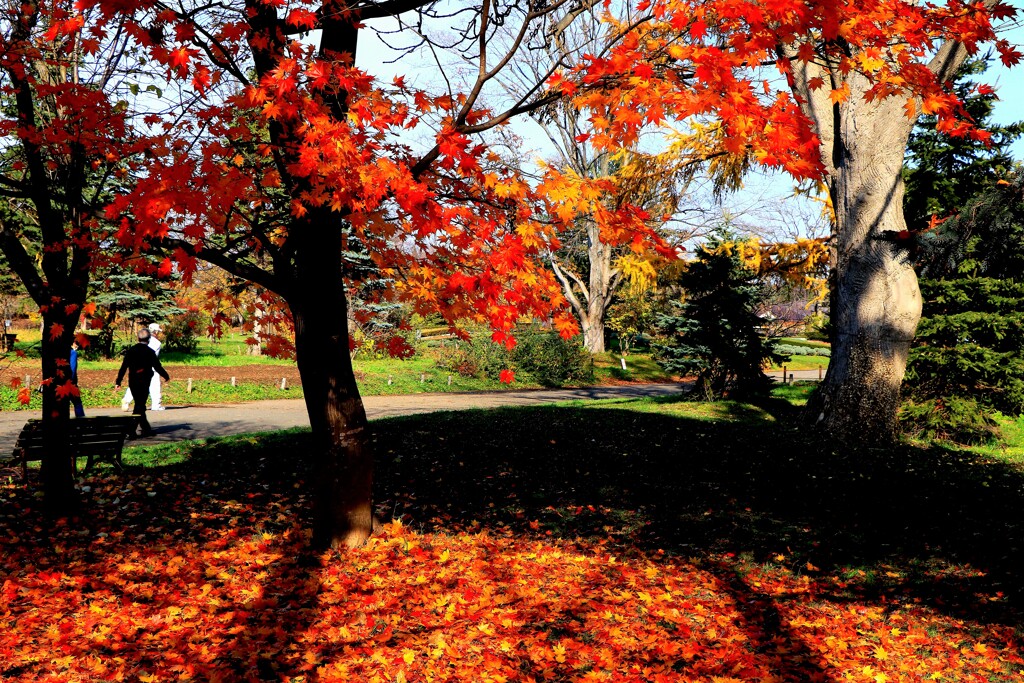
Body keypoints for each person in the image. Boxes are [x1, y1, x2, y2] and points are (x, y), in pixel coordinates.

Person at [116, 328, 170, 438]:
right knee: (140, 406)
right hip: (144, 381)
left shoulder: (131, 350)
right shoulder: (150, 352)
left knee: (140, 405)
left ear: (138, 338)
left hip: (133, 381)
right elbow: (157, 366)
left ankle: (146, 429)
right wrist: (166, 376)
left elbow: (123, 367)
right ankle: (131, 430)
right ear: (149, 339)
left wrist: (118, 381)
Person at [121, 322, 165, 411]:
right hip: (151, 368)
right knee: (155, 385)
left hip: (138, 367)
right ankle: (156, 405)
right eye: (158, 332)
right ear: (155, 332)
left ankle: (126, 399)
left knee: (136, 384)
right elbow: (153, 357)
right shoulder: (157, 343)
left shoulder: (141, 340)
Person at [70, 339, 85, 418]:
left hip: (58, 384)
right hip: (71, 384)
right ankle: (82, 423)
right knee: (77, 403)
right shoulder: (73, 353)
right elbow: (72, 368)